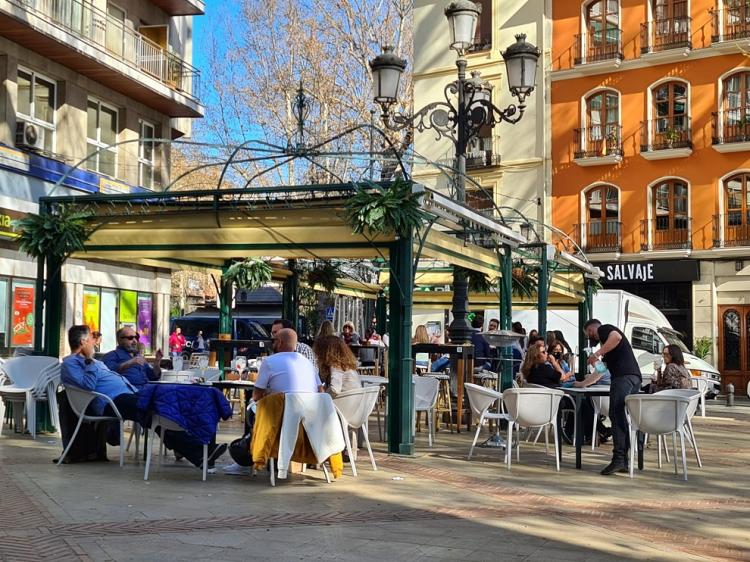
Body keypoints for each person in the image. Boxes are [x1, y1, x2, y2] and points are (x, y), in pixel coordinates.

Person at [61, 325, 226, 469]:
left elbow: (150, 375)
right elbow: (88, 385)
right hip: (110, 400)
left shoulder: (97, 360)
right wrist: (90, 360)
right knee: (156, 411)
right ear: (82, 342)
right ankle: (199, 452)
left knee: (167, 407)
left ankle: (201, 451)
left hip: (130, 393)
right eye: (91, 339)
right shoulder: (71, 363)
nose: (94, 342)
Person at [584, 318, 642, 476]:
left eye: (588, 333)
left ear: (591, 330)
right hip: (633, 377)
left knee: (616, 415)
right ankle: (623, 459)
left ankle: (619, 459)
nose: (590, 337)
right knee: (621, 416)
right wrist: (583, 383)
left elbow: (616, 337)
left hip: (624, 377)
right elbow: (602, 372)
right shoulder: (607, 347)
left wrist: (597, 353)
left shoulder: (604, 330)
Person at [252, 328, 323, 400]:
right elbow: (321, 391)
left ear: (280, 342)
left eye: (273, 341)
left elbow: (256, 396)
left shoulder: (268, 361)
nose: (272, 344)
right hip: (309, 409)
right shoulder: (308, 362)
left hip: (282, 409)